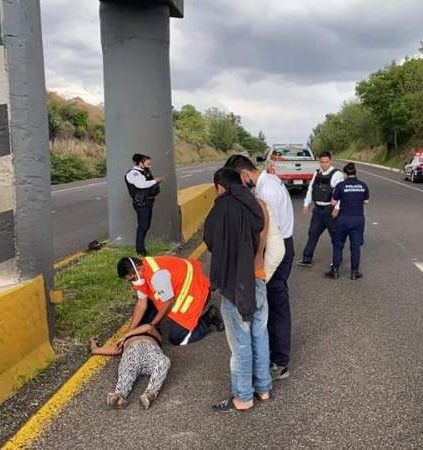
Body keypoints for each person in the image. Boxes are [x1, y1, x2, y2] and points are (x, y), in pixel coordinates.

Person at [204, 168, 272, 412]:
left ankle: (243, 397)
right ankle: (263, 389)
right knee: (259, 335)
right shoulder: (258, 205)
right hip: (259, 276)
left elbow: (210, 240)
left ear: (220, 186)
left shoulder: (222, 208)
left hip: (235, 283)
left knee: (240, 342)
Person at [224, 154, 294, 381]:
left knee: (275, 306)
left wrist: (261, 275)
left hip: (278, 248)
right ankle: (275, 357)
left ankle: (280, 361)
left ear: (245, 175)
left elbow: (268, 238)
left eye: (239, 182)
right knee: (273, 305)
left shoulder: (265, 194)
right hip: (283, 243)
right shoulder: (270, 181)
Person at [117, 255, 220, 347]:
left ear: (139, 268)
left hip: (195, 293)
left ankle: (209, 318)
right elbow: (141, 304)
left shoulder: (157, 275)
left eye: (132, 279)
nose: (132, 282)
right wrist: (128, 334)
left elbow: (168, 303)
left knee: (177, 338)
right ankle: (154, 328)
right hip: (178, 290)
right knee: (143, 320)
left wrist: (152, 325)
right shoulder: (143, 270)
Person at [89, 324, 170, 410]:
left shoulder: (152, 334)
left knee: (163, 361)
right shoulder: (123, 341)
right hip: (134, 352)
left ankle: (148, 394)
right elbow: (99, 350)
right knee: (127, 371)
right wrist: (93, 342)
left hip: (144, 351)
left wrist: (124, 336)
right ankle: (119, 395)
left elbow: (148, 327)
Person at [297, 151, 345, 267]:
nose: (324, 164)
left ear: (330, 161)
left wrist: (337, 208)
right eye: (322, 162)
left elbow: (342, 193)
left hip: (330, 210)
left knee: (335, 237)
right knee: (312, 233)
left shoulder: (337, 174)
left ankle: (336, 262)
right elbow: (310, 189)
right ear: (319, 162)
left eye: (326, 162)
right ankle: (307, 258)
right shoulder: (316, 173)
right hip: (318, 210)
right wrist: (306, 204)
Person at [326, 163, 369, 280]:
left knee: (338, 245)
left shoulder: (340, 185)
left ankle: (335, 270)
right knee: (355, 247)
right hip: (358, 219)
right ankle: (354, 272)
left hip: (343, 219)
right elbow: (366, 202)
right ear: (355, 173)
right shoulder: (363, 185)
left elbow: (333, 203)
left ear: (345, 174)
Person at [125, 153, 162, 256]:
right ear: (140, 163)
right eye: (148, 163)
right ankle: (140, 249)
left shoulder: (145, 172)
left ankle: (141, 247)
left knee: (146, 225)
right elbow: (141, 185)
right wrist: (155, 181)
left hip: (148, 202)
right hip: (142, 203)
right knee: (143, 226)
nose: (149, 166)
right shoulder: (133, 173)